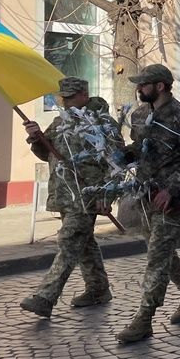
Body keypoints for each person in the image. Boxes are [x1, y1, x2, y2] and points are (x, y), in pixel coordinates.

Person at [116, 64, 180, 343]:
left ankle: (144, 318)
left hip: (171, 201)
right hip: (145, 197)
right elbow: (139, 150)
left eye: (144, 84)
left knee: (157, 259)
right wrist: (122, 156)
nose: (139, 89)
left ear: (159, 86)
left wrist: (171, 189)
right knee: (162, 252)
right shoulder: (141, 114)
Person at [19, 77, 122, 318]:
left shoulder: (103, 123)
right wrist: (36, 137)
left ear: (84, 95)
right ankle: (98, 289)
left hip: (88, 194)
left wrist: (107, 193)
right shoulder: (60, 122)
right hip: (66, 194)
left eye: (69, 97)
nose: (64, 101)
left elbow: (116, 160)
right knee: (83, 243)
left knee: (68, 240)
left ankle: (46, 297)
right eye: (62, 97)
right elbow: (47, 154)